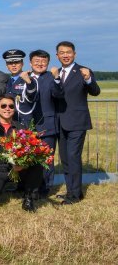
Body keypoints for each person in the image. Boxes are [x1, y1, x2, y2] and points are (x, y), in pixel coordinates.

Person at [52, 41, 101, 205]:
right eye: (62, 52)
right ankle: (71, 190)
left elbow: (95, 91)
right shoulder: (56, 73)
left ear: (74, 54)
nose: (65, 55)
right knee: (65, 158)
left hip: (77, 122)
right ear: (57, 55)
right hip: (60, 122)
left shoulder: (83, 71)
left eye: (68, 52)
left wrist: (88, 79)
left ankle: (75, 195)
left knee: (73, 157)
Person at [0, 95, 43, 212]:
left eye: (11, 106)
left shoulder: (20, 127)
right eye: (3, 106)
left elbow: (29, 150)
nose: (7, 108)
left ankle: (28, 197)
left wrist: (23, 164)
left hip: (17, 168)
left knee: (37, 164)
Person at [29, 49, 61, 197]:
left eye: (43, 61)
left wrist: (56, 78)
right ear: (30, 63)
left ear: (48, 63)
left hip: (47, 125)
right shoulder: (24, 78)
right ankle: (30, 187)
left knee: (46, 159)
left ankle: (45, 188)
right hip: (28, 126)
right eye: (37, 61)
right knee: (29, 158)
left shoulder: (51, 77)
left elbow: (58, 94)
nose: (40, 64)